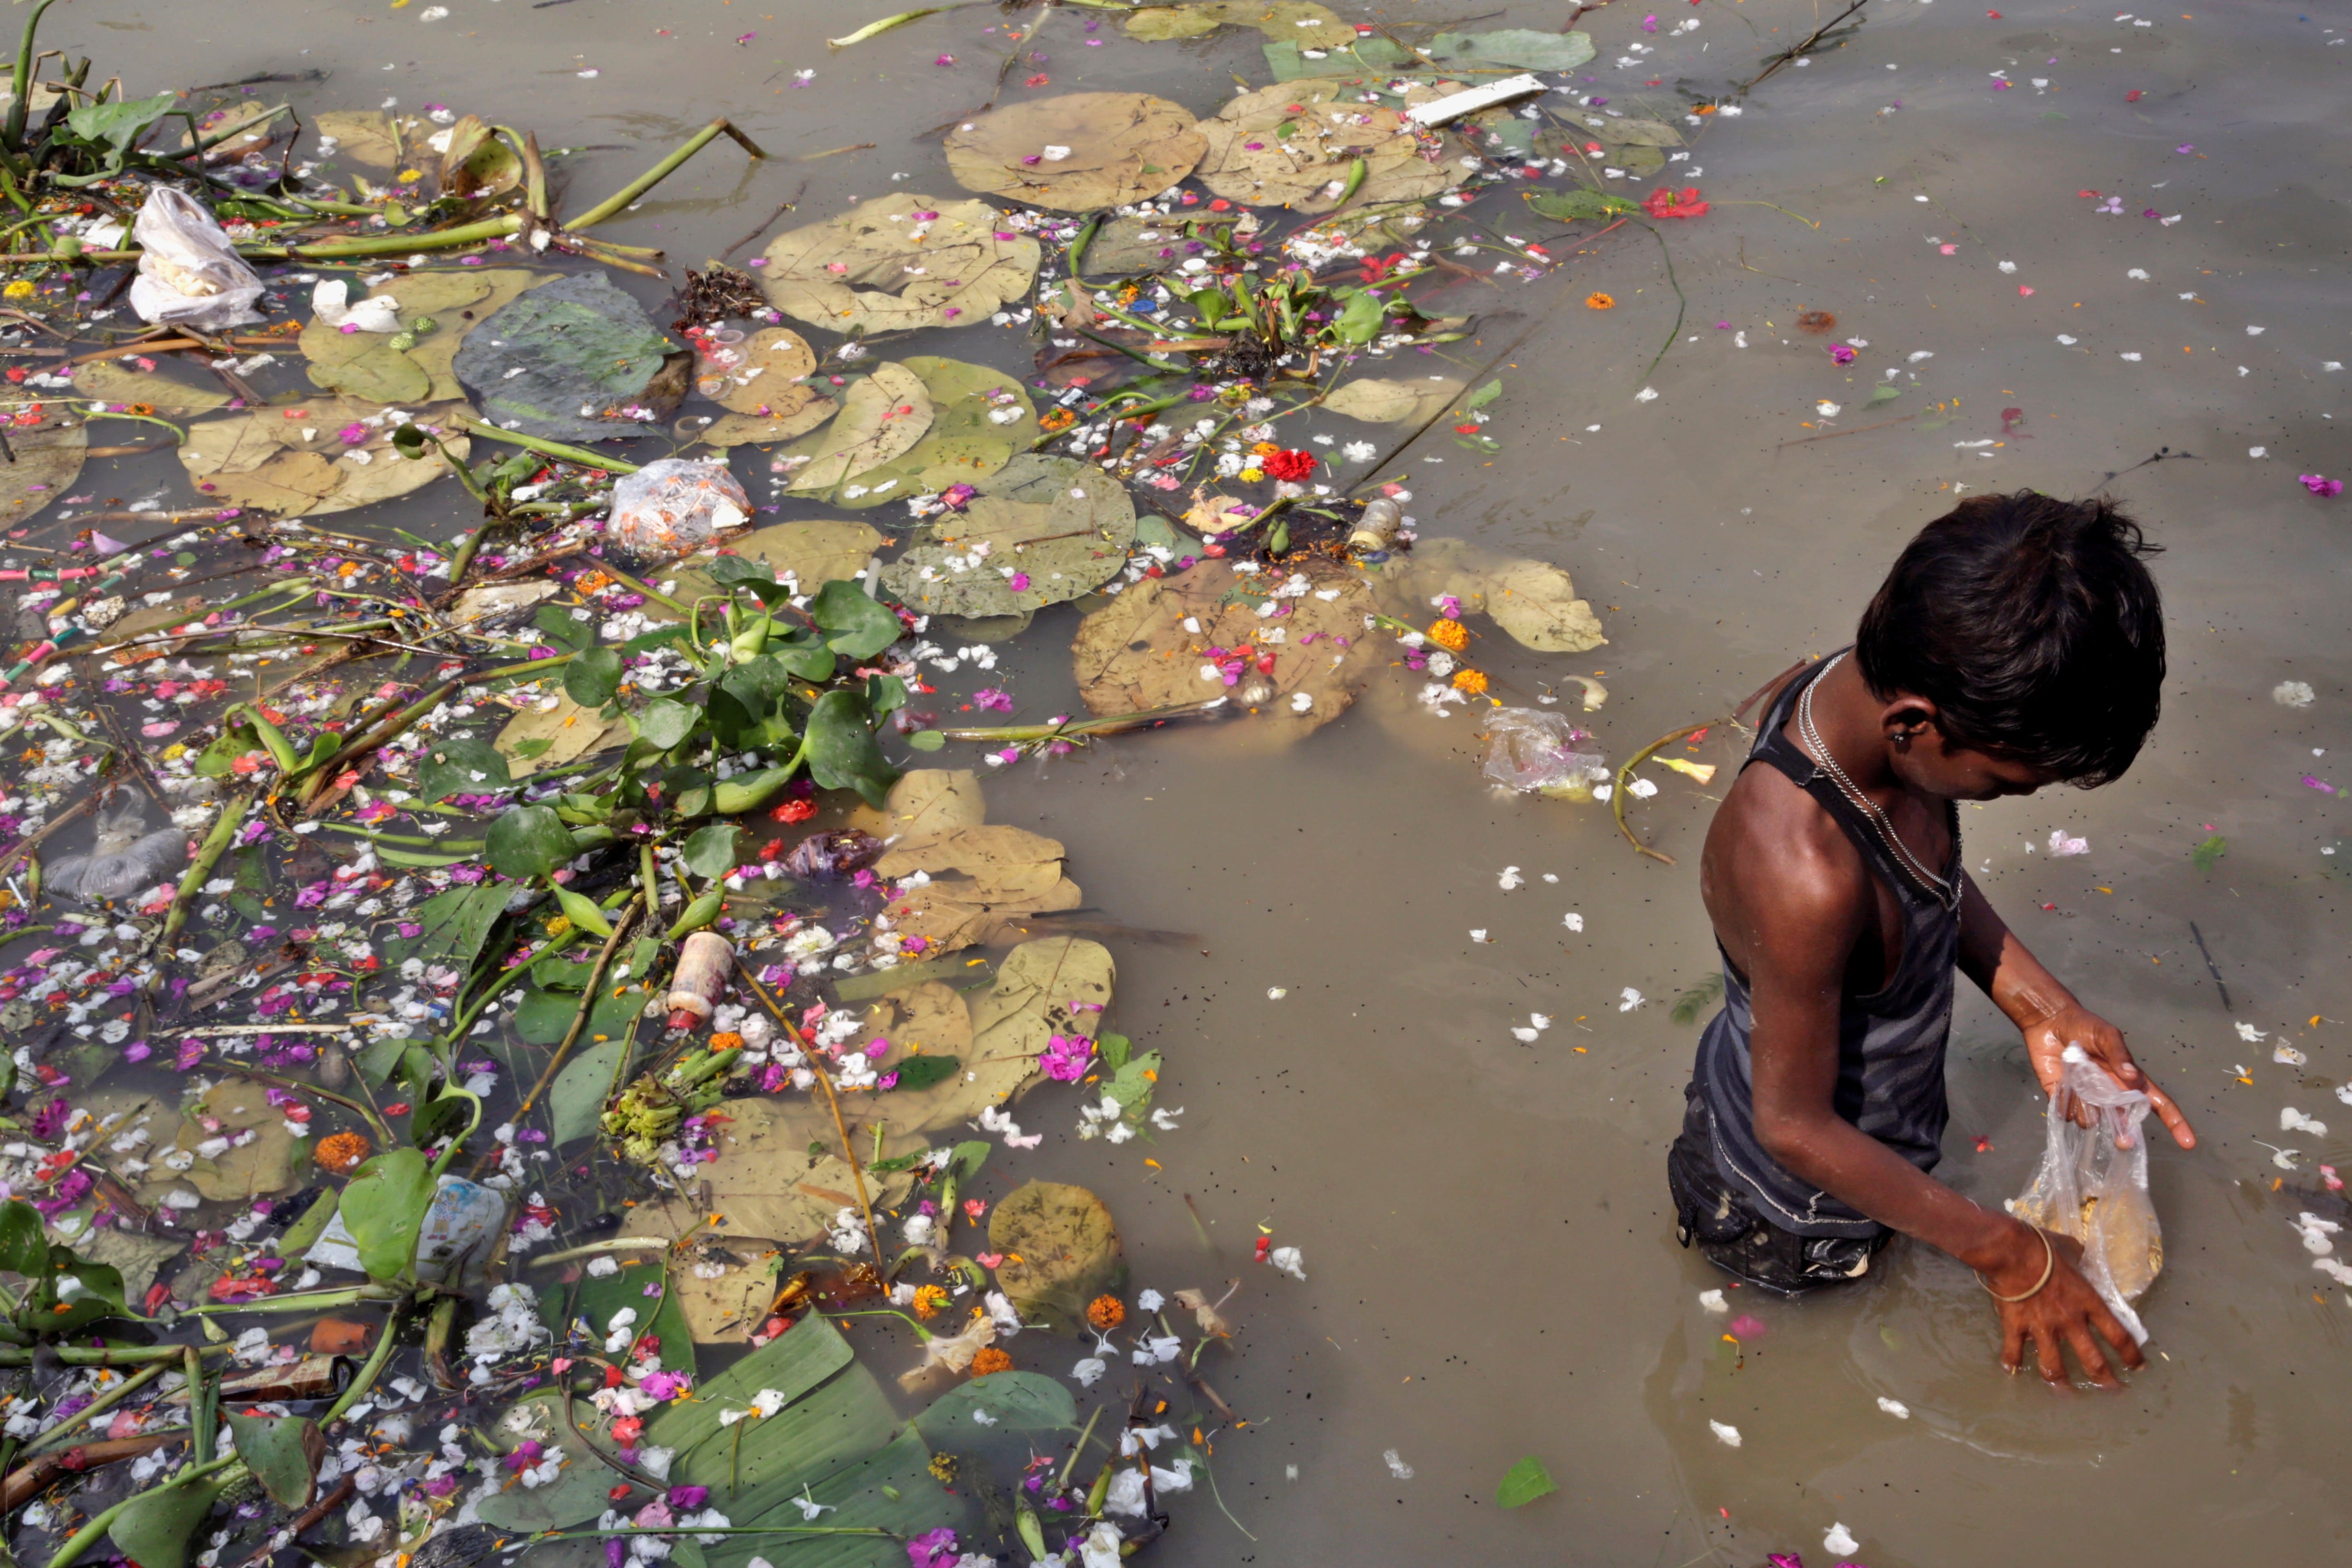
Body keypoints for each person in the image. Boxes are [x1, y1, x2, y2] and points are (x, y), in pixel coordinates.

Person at [1666, 491, 2196, 1386]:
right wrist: (2010, 1256)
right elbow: (1793, 1127)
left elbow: (1924, 879)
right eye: (2007, 785)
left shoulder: (1870, 689)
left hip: (1866, 1138)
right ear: (1916, 726)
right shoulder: (1804, 875)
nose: (2014, 799)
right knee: (1807, 1393)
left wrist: (2044, 1007)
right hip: (1792, 1214)